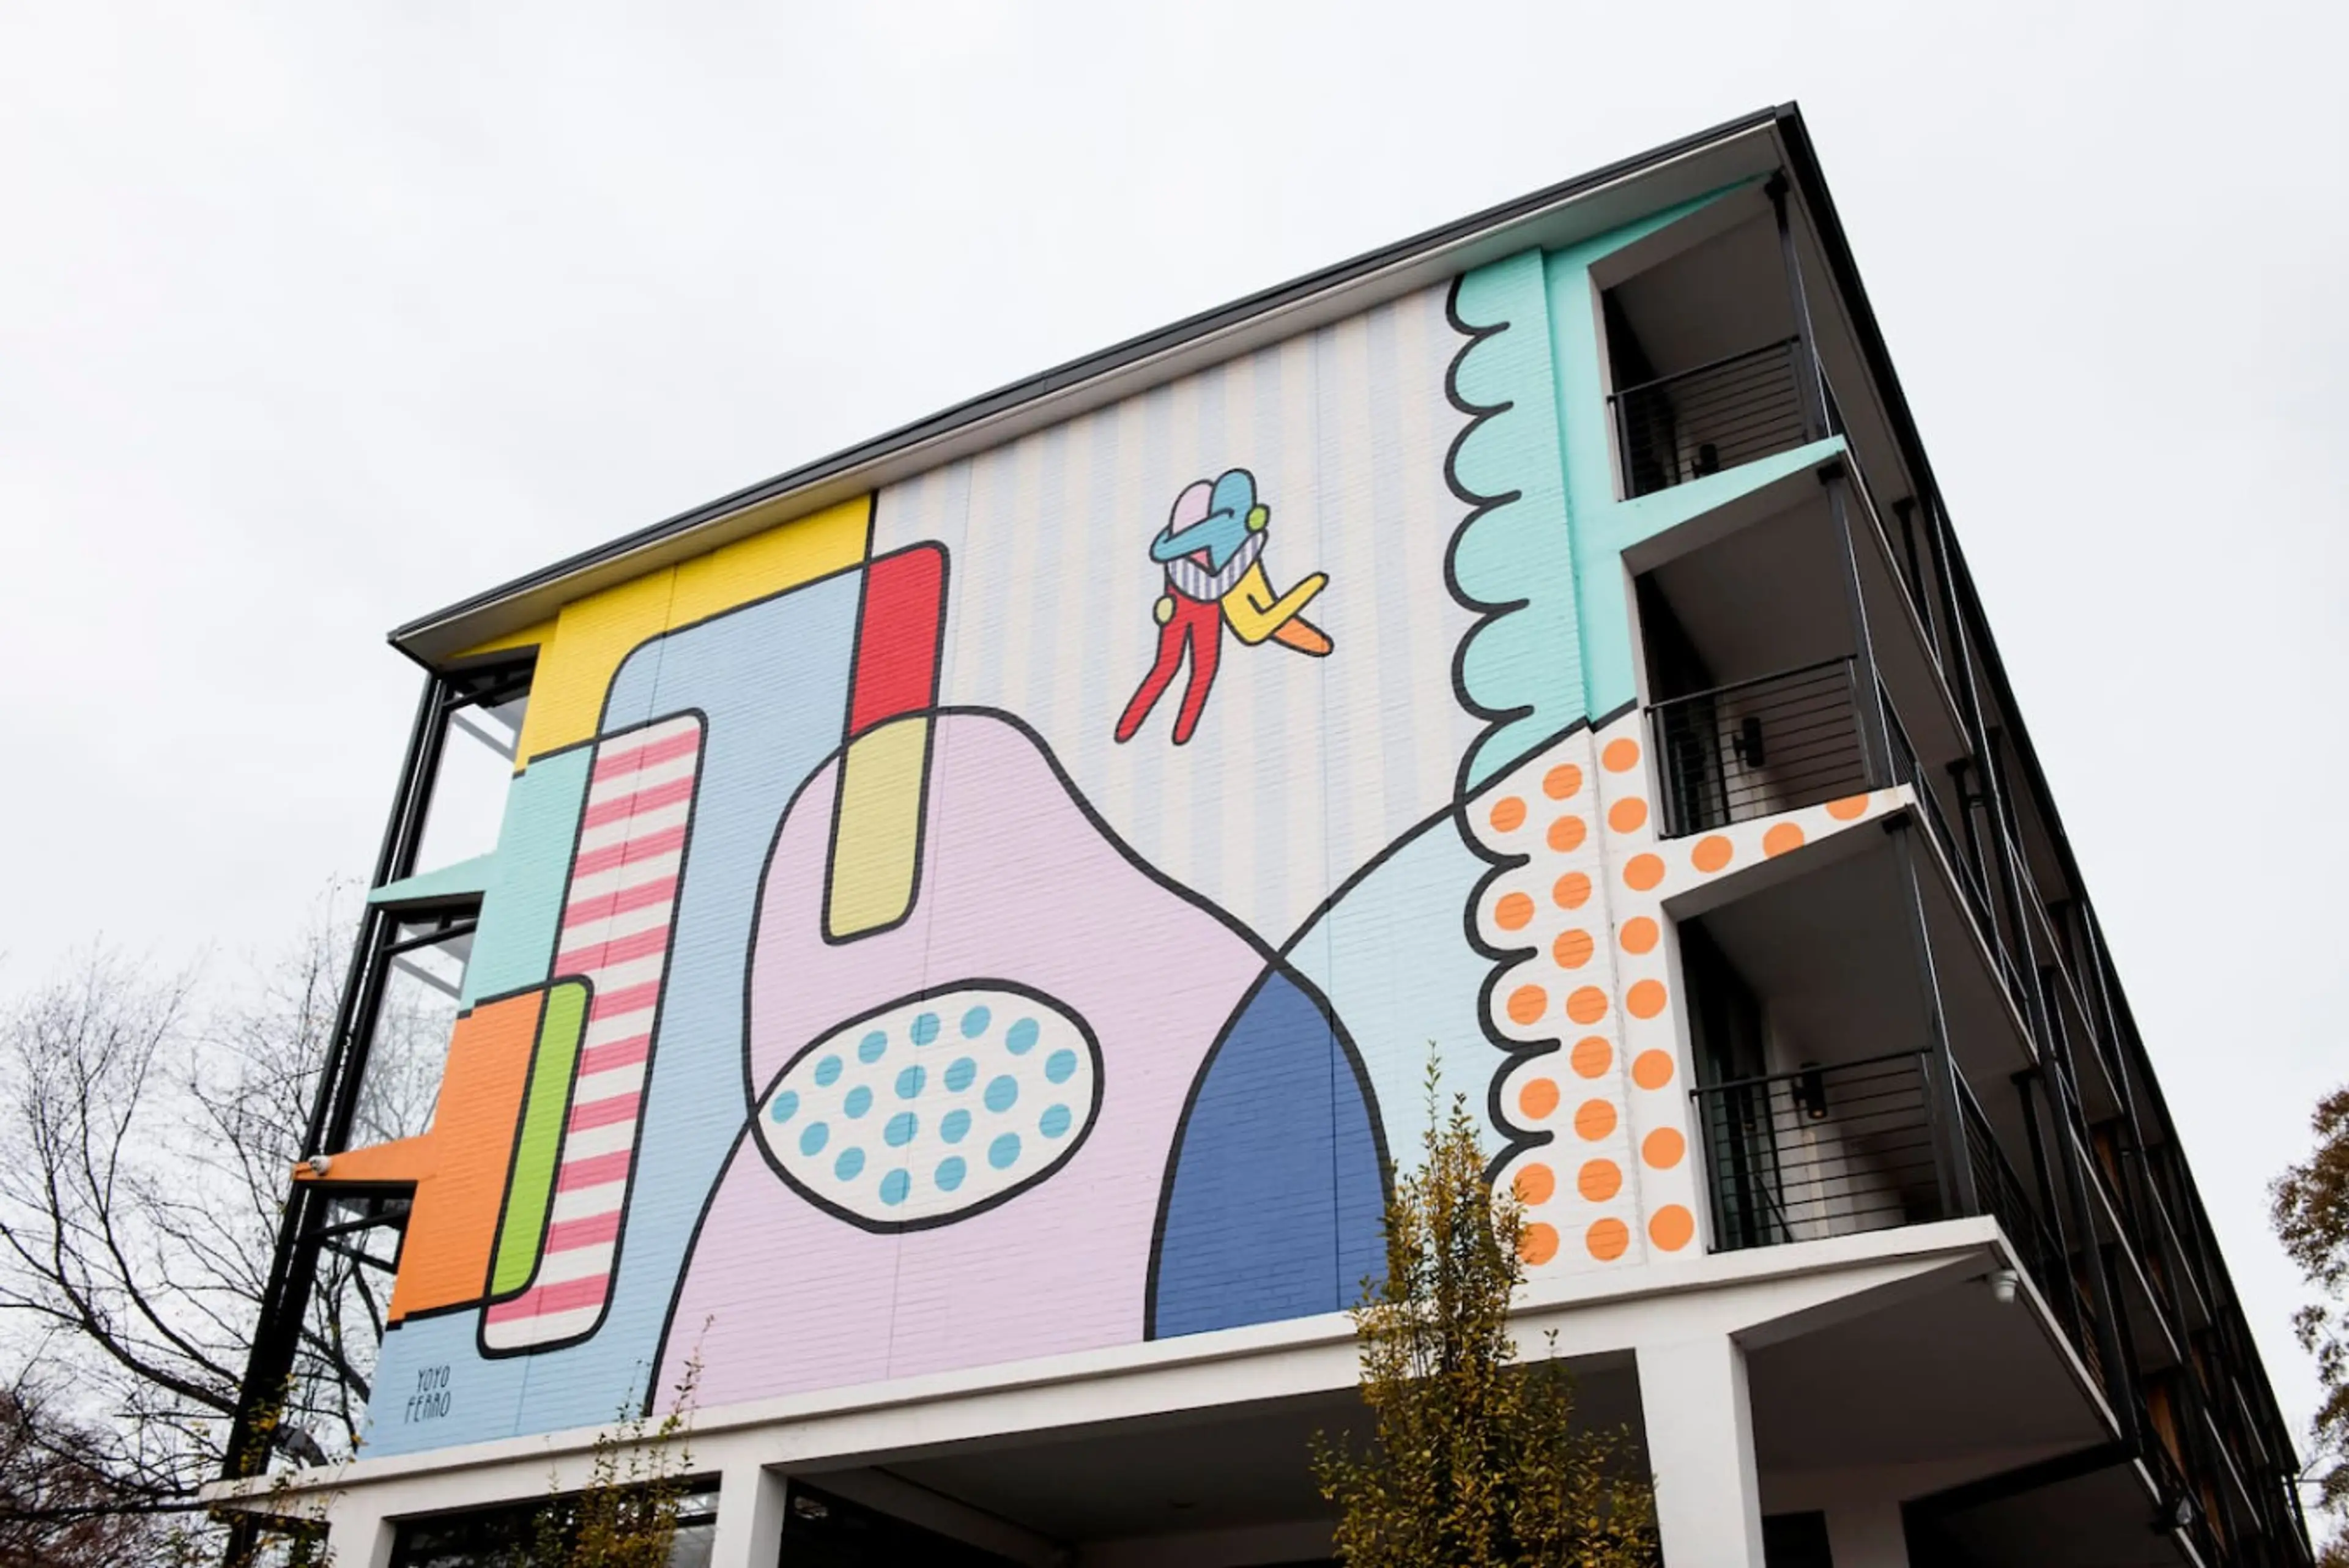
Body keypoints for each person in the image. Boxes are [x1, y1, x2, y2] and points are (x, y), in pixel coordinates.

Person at [1114, 468, 1330, 746]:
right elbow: (1211, 582)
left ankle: (1177, 735)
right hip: (1186, 600)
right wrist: (1251, 546)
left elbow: (1165, 550)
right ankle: (1141, 730)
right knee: (1175, 665)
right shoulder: (1225, 531)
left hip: (1200, 604)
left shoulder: (1224, 531)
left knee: (1198, 668)